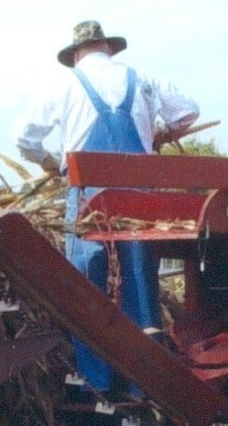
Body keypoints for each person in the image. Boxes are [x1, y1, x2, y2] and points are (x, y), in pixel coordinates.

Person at [11, 20, 199, 397]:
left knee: (86, 285)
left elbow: (23, 137)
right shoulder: (141, 78)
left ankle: (95, 382)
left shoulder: (63, 85)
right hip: (139, 193)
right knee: (139, 281)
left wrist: (51, 162)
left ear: (76, 54)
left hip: (88, 195)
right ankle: (142, 384)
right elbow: (187, 113)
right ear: (108, 48)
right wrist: (158, 133)